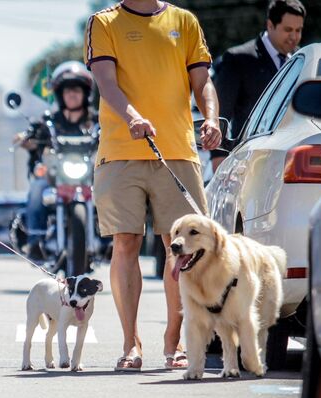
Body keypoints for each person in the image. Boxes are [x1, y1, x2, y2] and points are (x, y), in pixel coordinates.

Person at [84, 0, 222, 371]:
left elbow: (202, 81)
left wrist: (210, 118)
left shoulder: (184, 21)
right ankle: (131, 344)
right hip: (120, 152)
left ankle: (173, 342)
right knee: (125, 242)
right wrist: (133, 116)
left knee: (183, 249)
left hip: (176, 150)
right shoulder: (104, 22)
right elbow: (106, 82)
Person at [17, 61, 97, 261]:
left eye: (76, 90)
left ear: (85, 93)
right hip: (55, 175)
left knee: (115, 189)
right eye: (67, 90)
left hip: (90, 176)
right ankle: (35, 239)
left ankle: (113, 237)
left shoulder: (97, 122)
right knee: (37, 187)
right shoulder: (49, 122)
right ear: (60, 94)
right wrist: (26, 139)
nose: (72, 94)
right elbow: (25, 138)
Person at [211, 0, 305, 169]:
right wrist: (219, 160)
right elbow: (222, 112)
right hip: (250, 160)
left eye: (298, 30)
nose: (294, 36)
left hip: (293, 160)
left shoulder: (301, 60)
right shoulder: (238, 58)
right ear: (270, 25)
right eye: (288, 30)